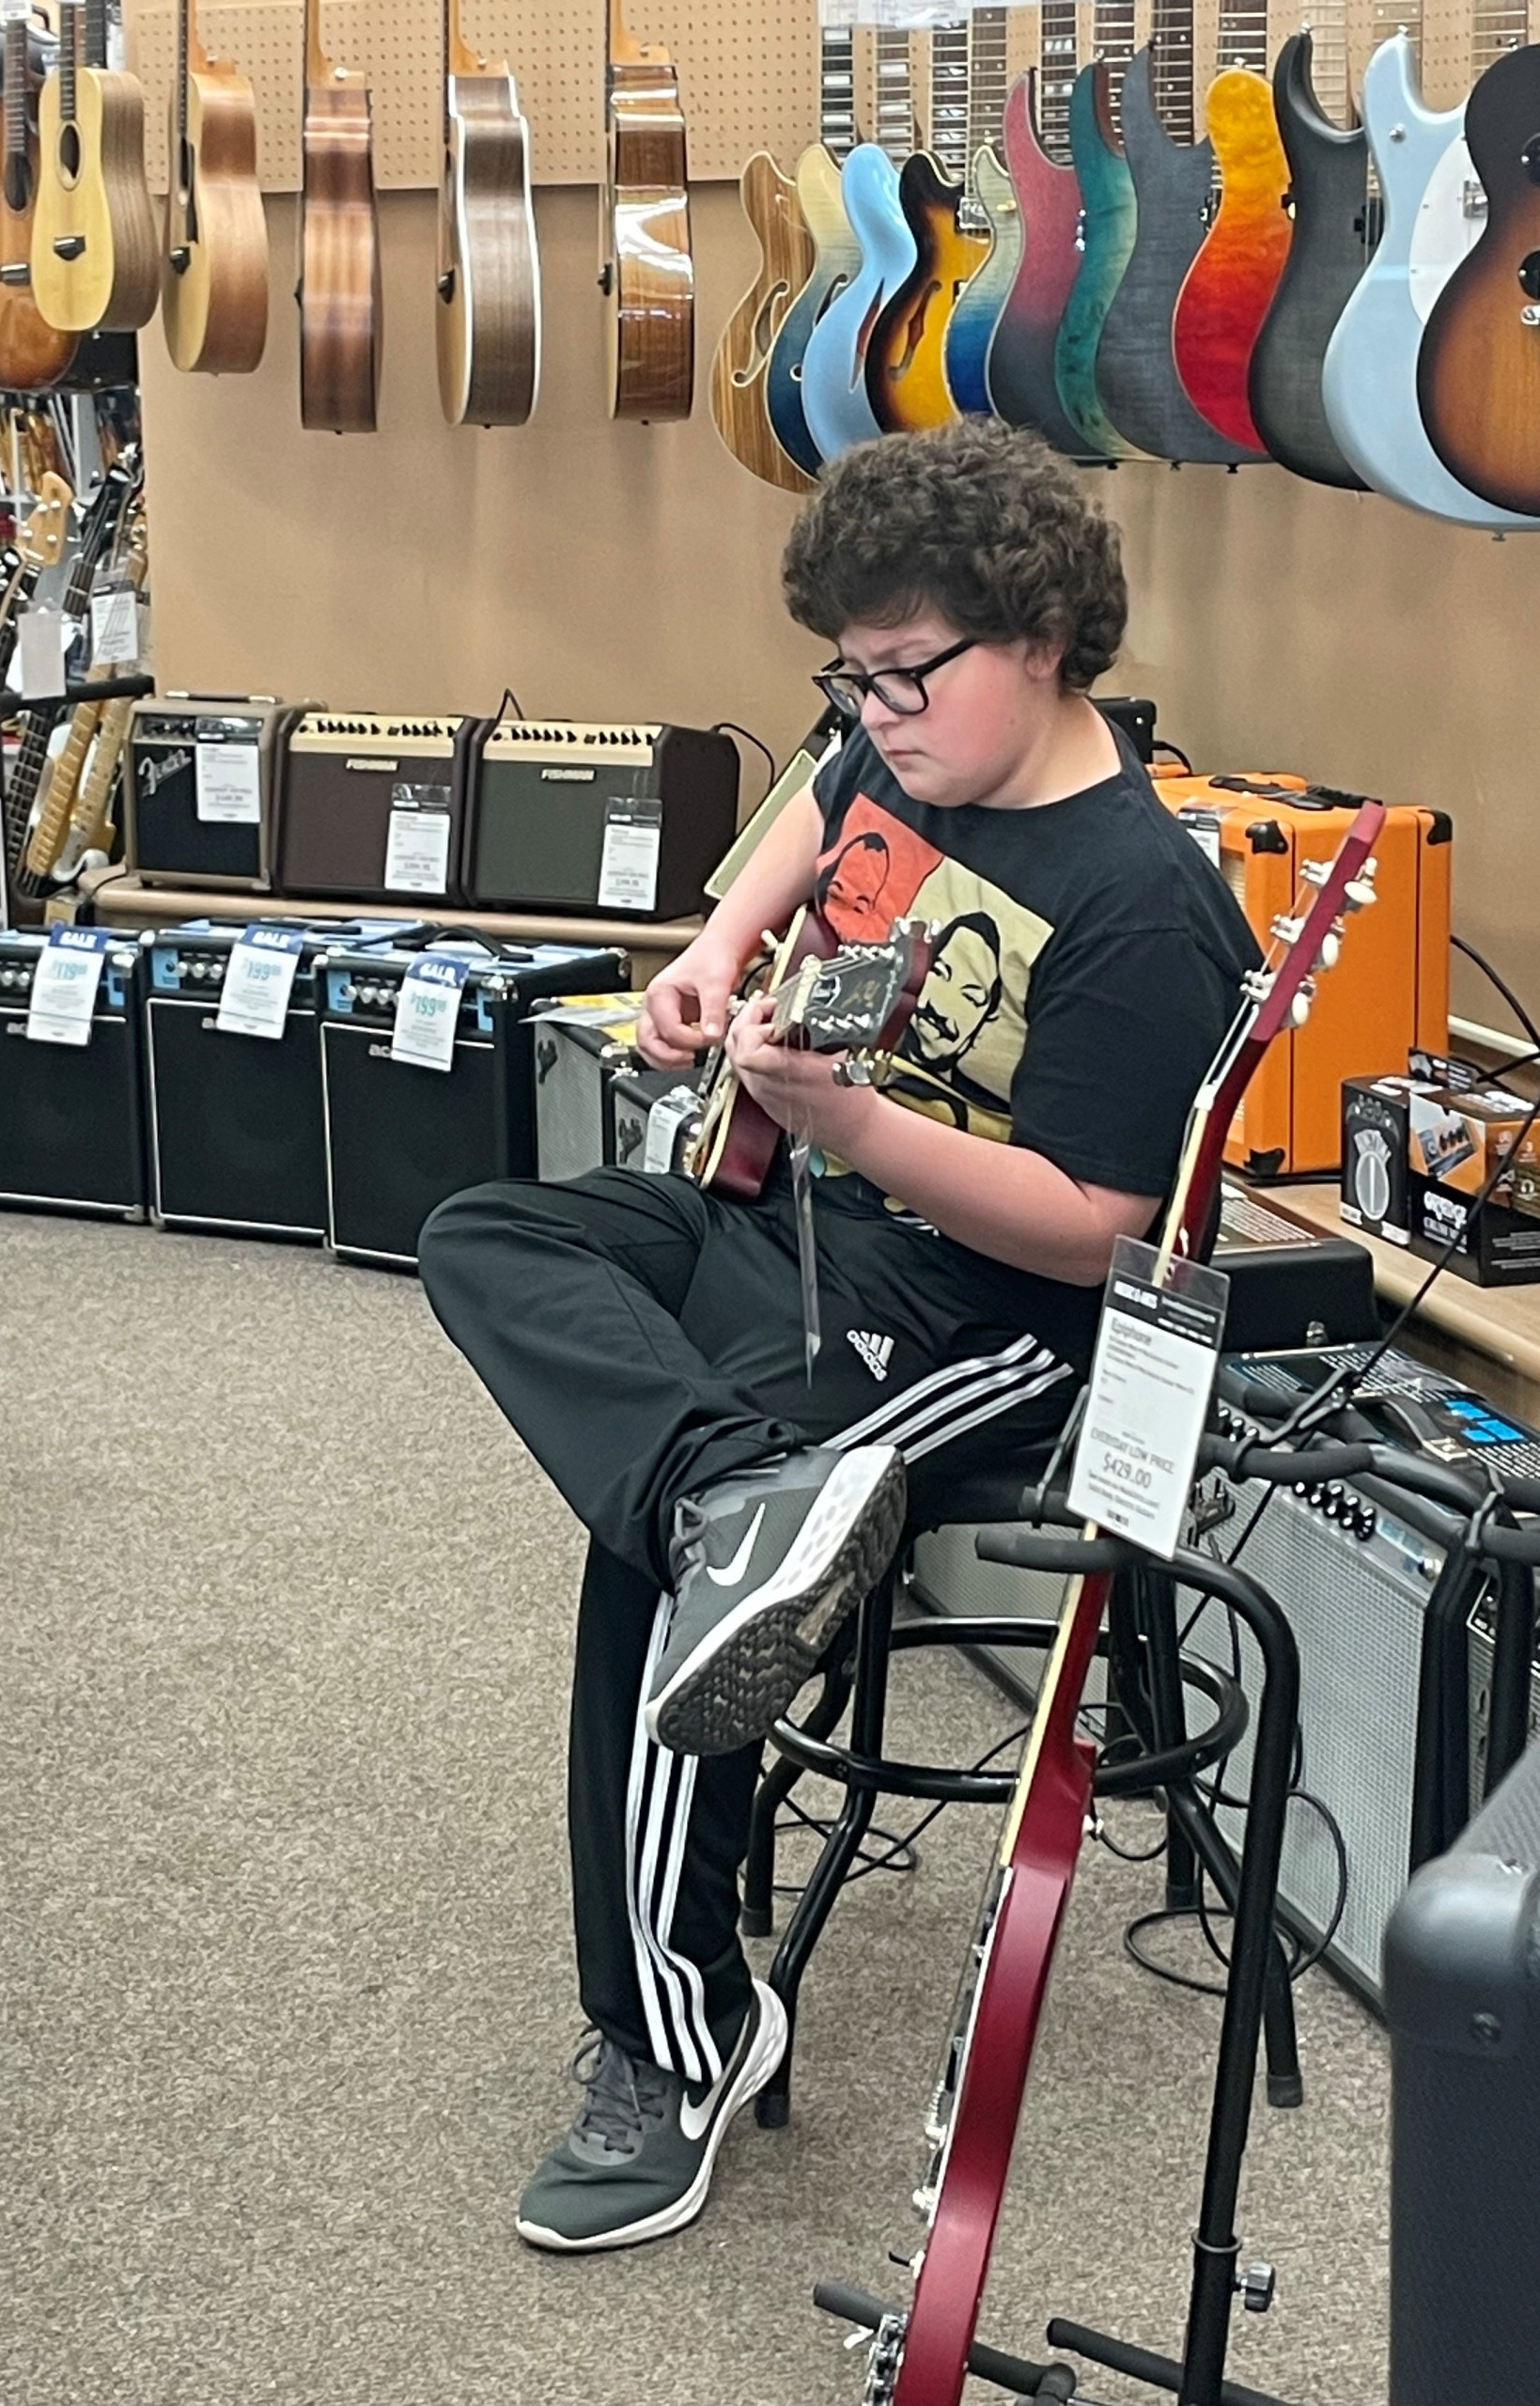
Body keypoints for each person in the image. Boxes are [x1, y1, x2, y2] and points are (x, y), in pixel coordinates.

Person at [417, 420, 1259, 2257]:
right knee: (489, 1228)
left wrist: (862, 1127)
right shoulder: (905, 743)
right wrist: (717, 955)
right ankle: (734, 1503)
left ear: (1036, 638)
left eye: (902, 673)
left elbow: (1103, 1226)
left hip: (1000, 1316)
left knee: (644, 1560)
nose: (866, 712)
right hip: (797, 1218)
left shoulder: (1140, 899)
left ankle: (674, 2031)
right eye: (847, 674)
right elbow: (810, 797)